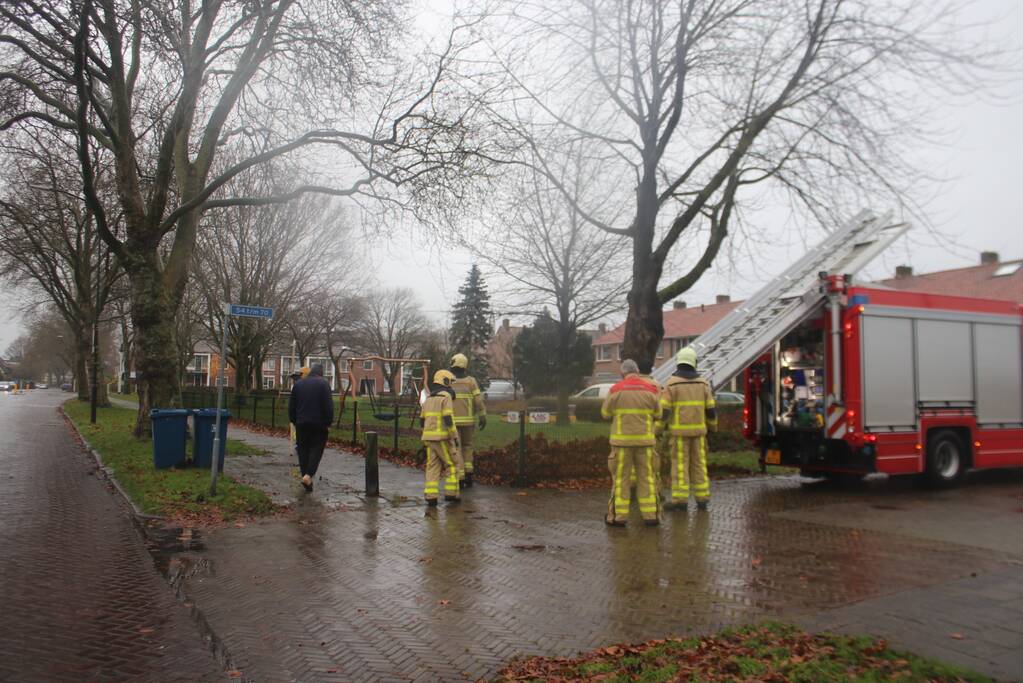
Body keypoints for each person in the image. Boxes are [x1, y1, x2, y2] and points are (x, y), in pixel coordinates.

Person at [601, 359, 662, 527]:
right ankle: (651, 516)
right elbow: (658, 414)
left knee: (621, 480)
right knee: (647, 478)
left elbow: (605, 414)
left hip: (621, 444)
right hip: (645, 443)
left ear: (623, 373)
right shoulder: (651, 390)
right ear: (637, 371)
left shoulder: (615, 390)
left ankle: (619, 517)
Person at [661, 347, 717, 511]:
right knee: (699, 465)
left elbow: (664, 412)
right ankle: (702, 498)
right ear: (694, 363)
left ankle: (680, 500)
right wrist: (713, 427)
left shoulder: (672, 384)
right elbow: (711, 410)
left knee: (680, 467)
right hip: (699, 434)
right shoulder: (703, 384)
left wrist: (657, 430)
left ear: (679, 362)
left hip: (679, 435)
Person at [288, 364, 333, 492]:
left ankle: (306, 480)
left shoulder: (298, 385)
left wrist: (294, 421)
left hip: (301, 423)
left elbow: (292, 406)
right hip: (319, 424)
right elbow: (328, 406)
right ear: (321, 373)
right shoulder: (324, 384)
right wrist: (328, 423)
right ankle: (308, 475)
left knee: (303, 450)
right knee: (316, 449)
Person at [420, 370, 461, 506]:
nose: (451, 385)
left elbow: (422, 420)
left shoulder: (429, 398)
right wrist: (454, 436)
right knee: (452, 464)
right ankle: (451, 494)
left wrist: (425, 434)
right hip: (442, 438)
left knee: (432, 466)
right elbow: (448, 418)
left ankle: (431, 496)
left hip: (428, 439)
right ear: (445, 381)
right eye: (450, 382)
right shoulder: (446, 397)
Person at [449, 353, 486, 488]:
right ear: (465, 366)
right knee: (468, 446)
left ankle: (460, 477)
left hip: (452, 422)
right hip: (468, 422)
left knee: (457, 448)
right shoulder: (471, 381)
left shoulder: (449, 381)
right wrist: (482, 415)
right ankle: (469, 474)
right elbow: (478, 400)